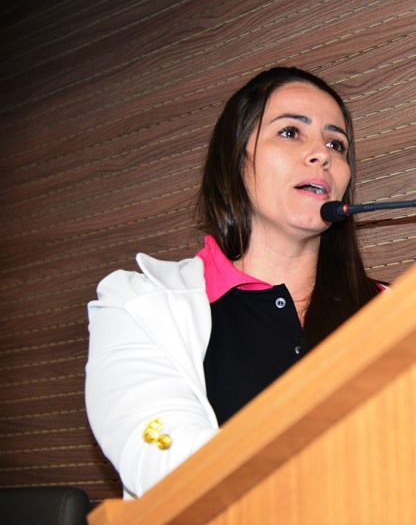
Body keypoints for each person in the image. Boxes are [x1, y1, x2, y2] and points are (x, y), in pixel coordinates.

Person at [85, 67, 384, 499]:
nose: (322, 154)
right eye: (290, 133)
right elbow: (165, 468)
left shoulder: (393, 309)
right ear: (235, 159)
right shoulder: (141, 305)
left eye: (336, 144)